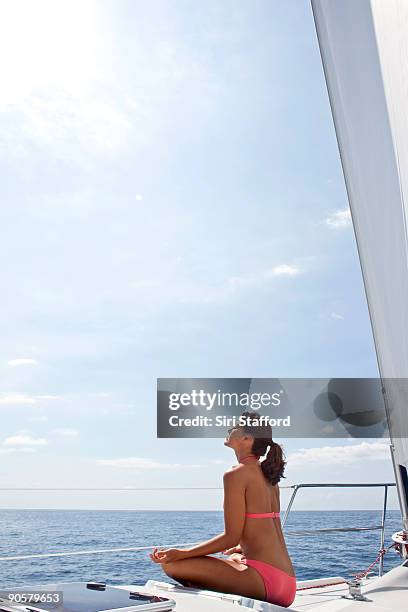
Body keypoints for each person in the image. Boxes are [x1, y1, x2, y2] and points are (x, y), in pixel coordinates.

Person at [149, 411, 297, 608]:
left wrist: (181, 553)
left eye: (234, 427)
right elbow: (265, 528)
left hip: (265, 582)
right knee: (234, 556)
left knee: (172, 565)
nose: (229, 429)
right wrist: (243, 549)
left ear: (247, 438)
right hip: (287, 583)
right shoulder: (268, 476)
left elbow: (230, 537)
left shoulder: (236, 474)